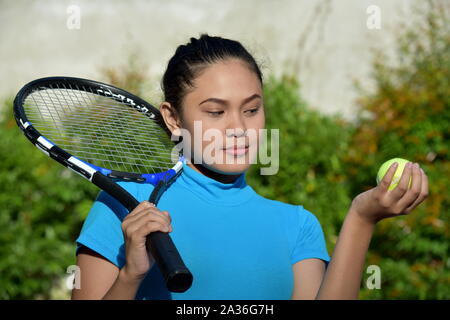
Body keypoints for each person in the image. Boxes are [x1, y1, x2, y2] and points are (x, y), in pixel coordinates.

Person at [71, 34, 429, 300]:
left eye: (252, 109)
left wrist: (362, 217)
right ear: (173, 118)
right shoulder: (125, 206)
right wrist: (131, 275)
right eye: (215, 112)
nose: (239, 128)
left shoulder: (298, 225)